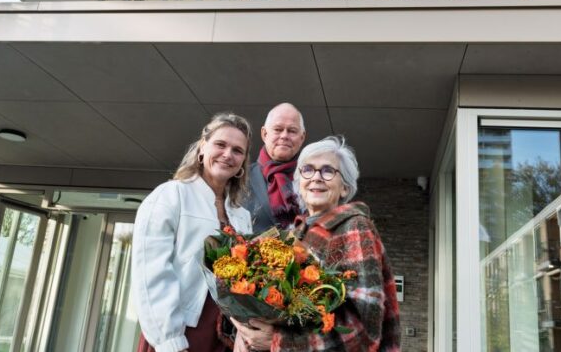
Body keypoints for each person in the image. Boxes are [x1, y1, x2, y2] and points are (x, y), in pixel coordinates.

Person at [232, 136, 401, 351]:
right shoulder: (293, 235)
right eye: (308, 170)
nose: (316, 177)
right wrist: (244, 331)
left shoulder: (354, 227)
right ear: (299, 184)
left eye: (328, 171)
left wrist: (279, 342)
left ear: (344, 188)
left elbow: (362, 330)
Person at [132, 113, 254, 352]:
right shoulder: (170, 196)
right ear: (202, 147)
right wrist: (170, 341)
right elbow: (150, 273)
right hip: (179, 334)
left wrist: (244, 331)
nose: (228, 154)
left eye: (237, 150)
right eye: (220, 144)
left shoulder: (242, 216)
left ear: (243, 162)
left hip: (225, 338)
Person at [244, 103, 307, 234]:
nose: (284, 136)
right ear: (264, 134)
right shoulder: (240, 177)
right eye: (278, 129)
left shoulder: (313, 179)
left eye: (292, 131)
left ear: (302, 138)